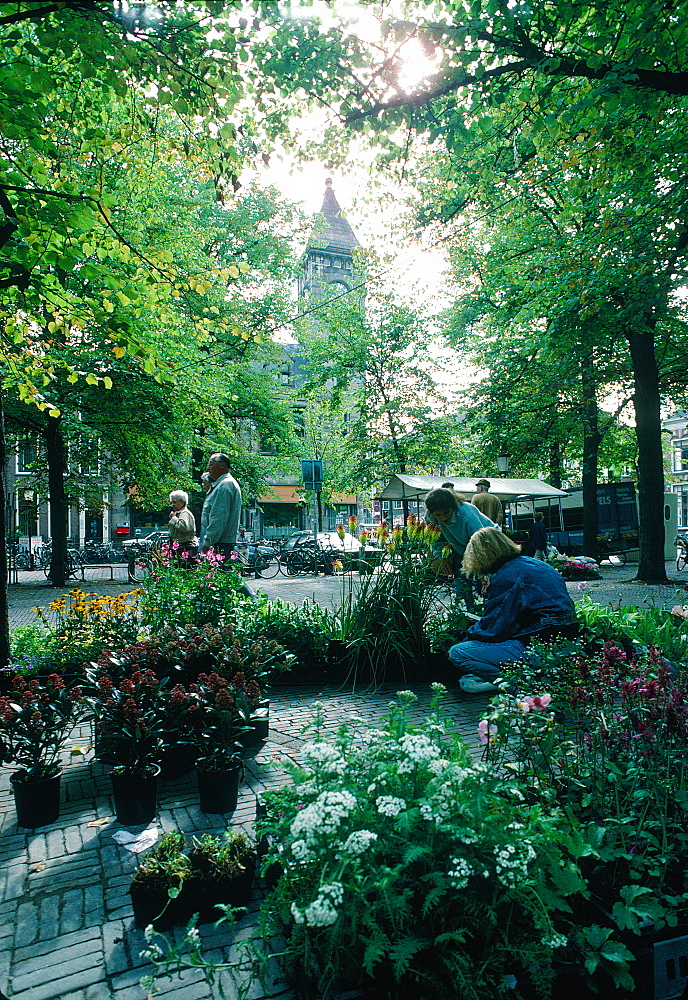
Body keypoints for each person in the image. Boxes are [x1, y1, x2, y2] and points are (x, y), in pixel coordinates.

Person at [449, 527, 579, 694]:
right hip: (568, 643)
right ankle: (533, 681)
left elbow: (494, 629)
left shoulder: (508, 576)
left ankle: (523, 689)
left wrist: (466, 638)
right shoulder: (535, 564)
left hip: (543, 647)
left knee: (459, 653)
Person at [424, 487, 496, 607]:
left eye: (446, 512)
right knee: (462, 589)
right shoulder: (431, 517)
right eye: (438, 515)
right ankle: (463, 616)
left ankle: (484, 615)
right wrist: (443, 557)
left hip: (487, 545)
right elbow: (435, 540)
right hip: (460, 549)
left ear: (453, 506)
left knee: (483, 587)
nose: (443, 518)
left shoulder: (467, 515)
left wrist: (484, 572)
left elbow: (482, 545)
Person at [200, 453, 242, 559]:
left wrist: (208, 542)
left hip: (219, 543)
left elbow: (218, 518)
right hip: (220, 542)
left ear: (222, 465)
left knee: (218, 573)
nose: (208, 468)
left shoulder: (224, 485)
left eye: (211, 464)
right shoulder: (222, 484)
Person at [167, 490, 198, 561]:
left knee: (185, 568)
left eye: (175, 502)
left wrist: (173, 518)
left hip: (186, 546)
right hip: (179, 546)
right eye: (171, 502)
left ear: (182, 502)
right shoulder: (178, 513)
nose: (172, 504)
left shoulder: (185, 513)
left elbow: (184, 527)